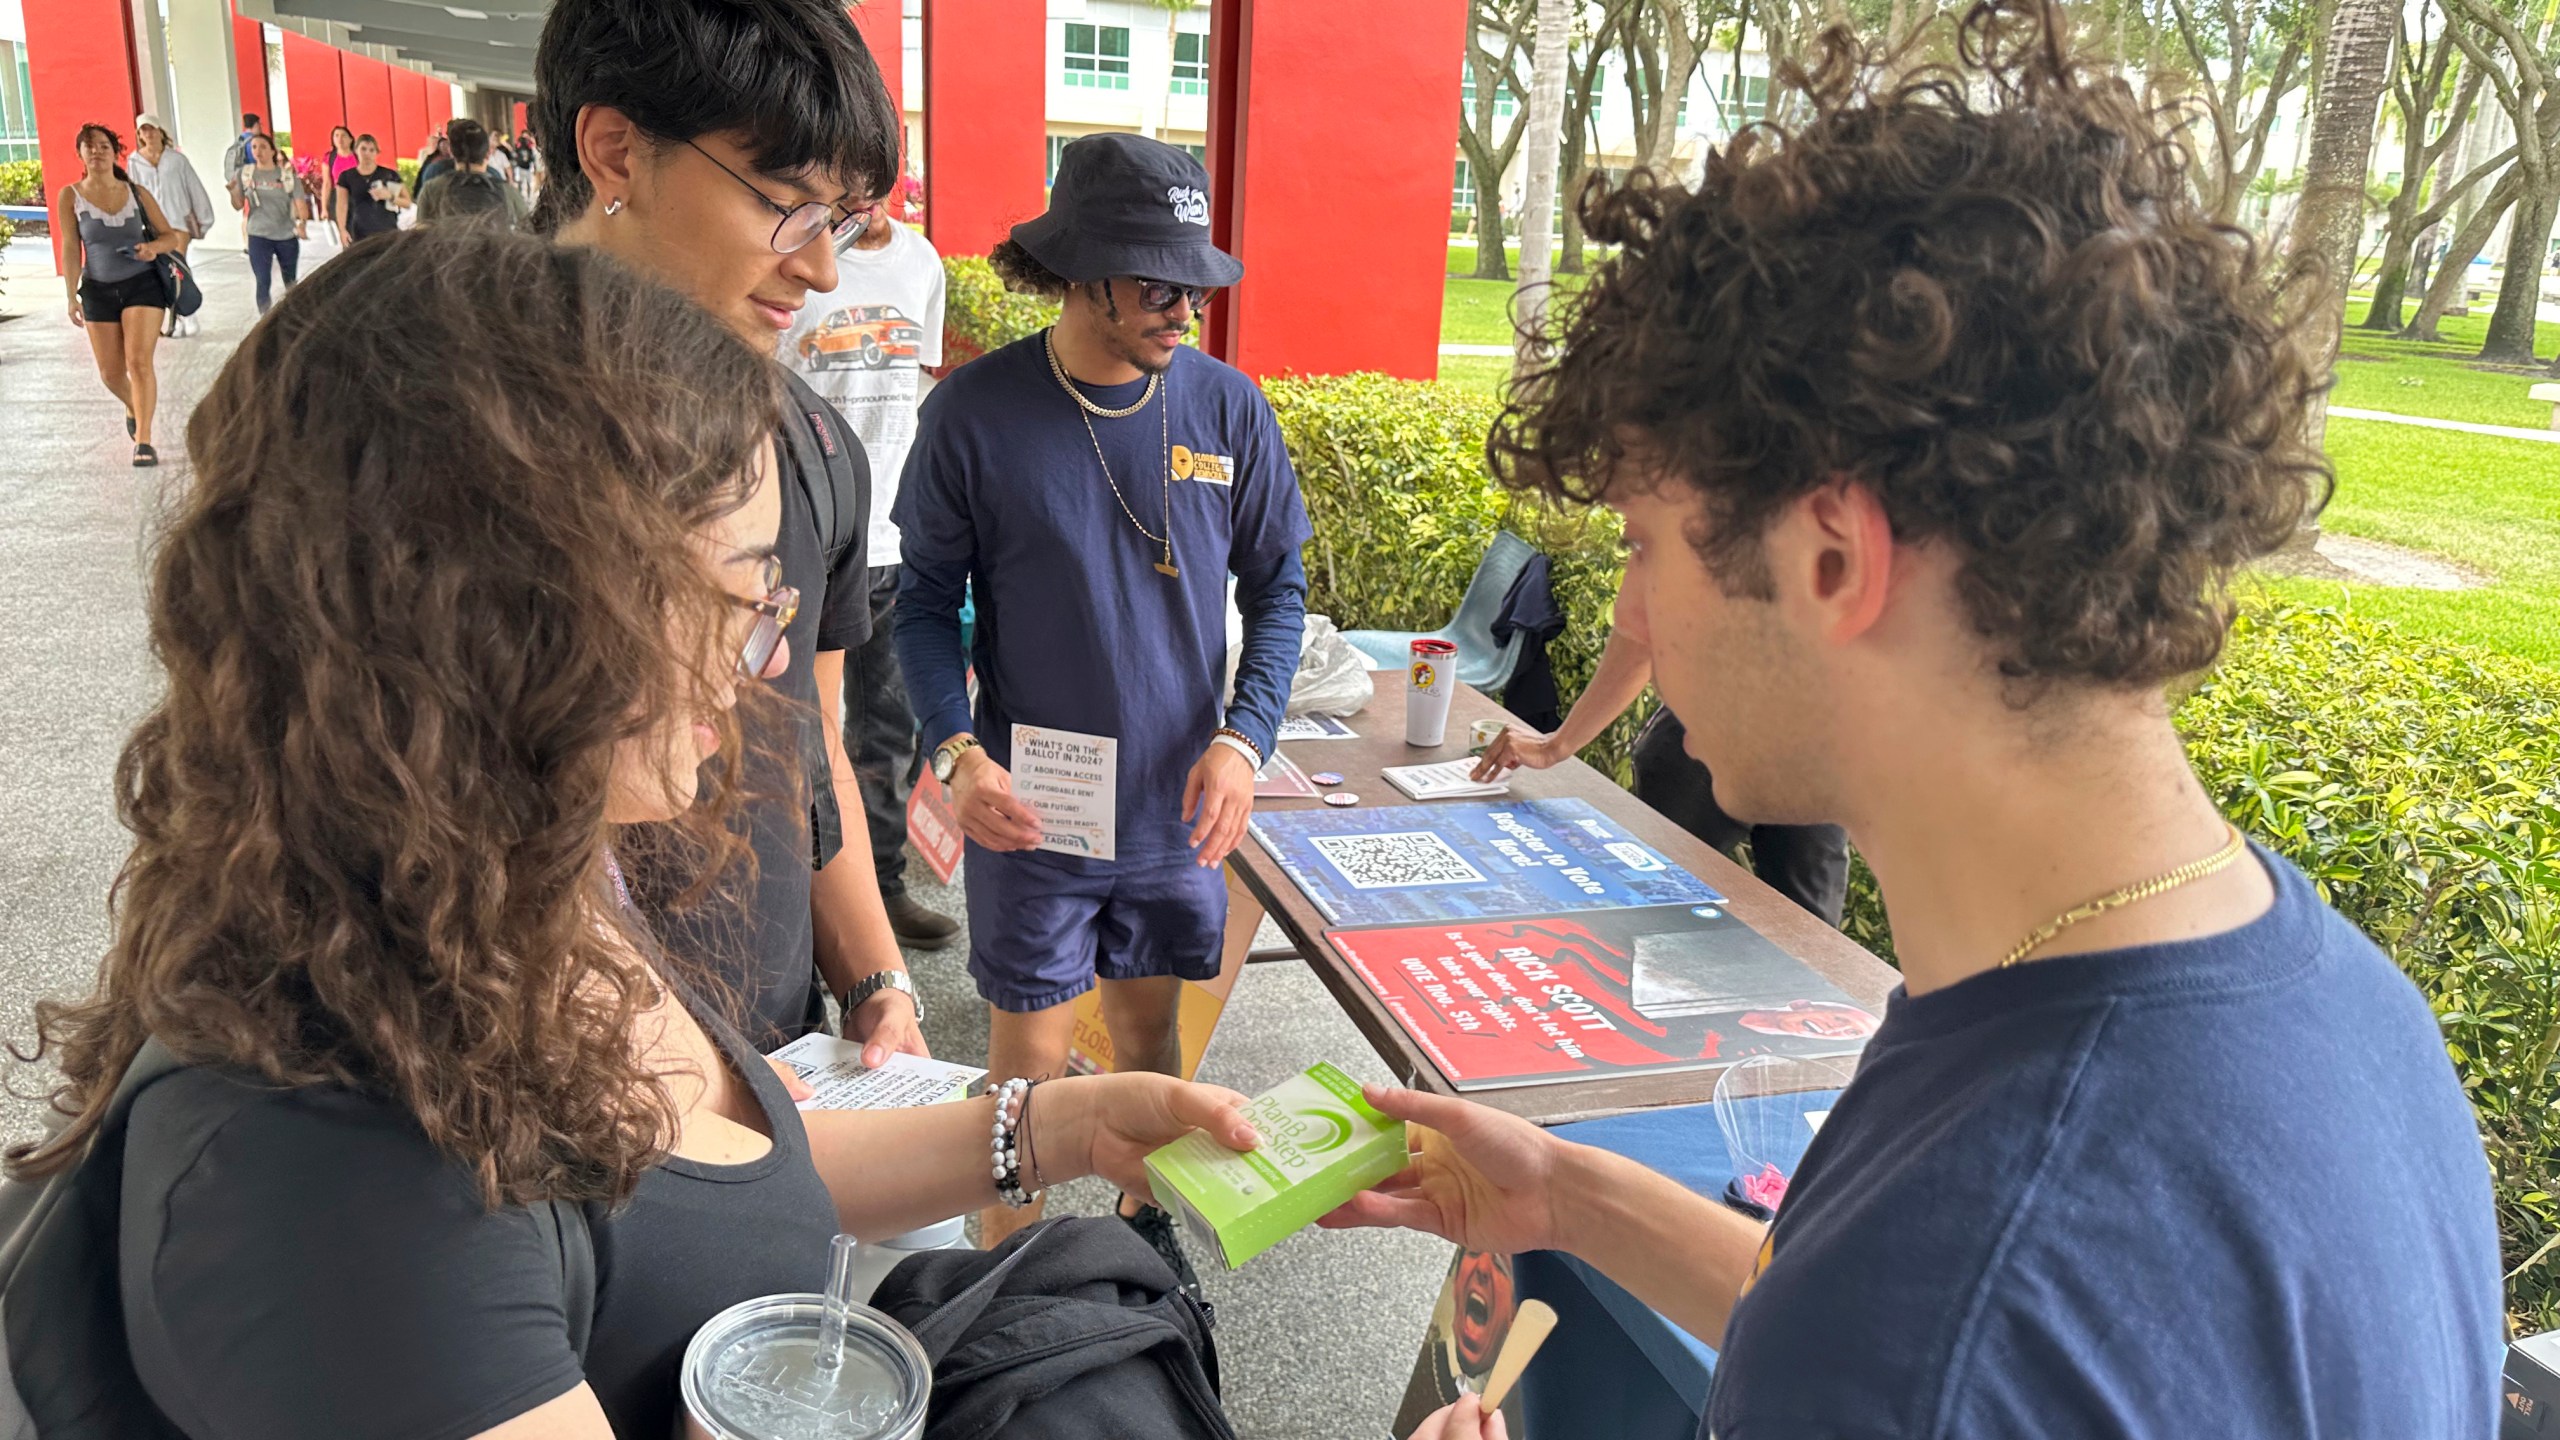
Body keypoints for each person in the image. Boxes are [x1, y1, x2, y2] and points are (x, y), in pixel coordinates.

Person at [1337, 6, 2503, 1438]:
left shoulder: (1944, 1311)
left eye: (1646, 542)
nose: (1634, 610)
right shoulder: (2344, 1008)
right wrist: (1565, 1195)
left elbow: (1912, 1336)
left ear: (1832, 558)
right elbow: (1850, 1308)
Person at [3, 224, 1260, 1440]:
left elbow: (714, 1167)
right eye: (736, 595)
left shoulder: (502, 880)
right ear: (503, 615)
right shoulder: (333, 1189)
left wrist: (1060, 1128)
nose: (762, 658)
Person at [894, 133, 1311, 1270]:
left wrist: (1245, 737)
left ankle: (1143, 1255)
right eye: (1156, 281)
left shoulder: (1228, 410)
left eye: (1194, 280)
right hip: (1036, 814)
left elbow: (1280, 591)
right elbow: (922, 607)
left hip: (1179, 807)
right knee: (1021, 1087)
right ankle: (998, 1285)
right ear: (1081, 273)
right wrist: (955, 753)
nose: (1184, 306)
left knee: (1149, 1045)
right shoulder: (973, 416)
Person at [531, 0, 928, 1064]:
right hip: (522, 1087)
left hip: (772, 1061)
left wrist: (876, 977)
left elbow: (806, 739)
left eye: (839, 219)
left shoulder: (809, 447)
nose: (822, 268)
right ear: (616, 150)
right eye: (787, 205)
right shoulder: (435, 438)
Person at [782, 194, 959, 949]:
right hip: (811, 538)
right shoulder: (791, 262)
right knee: (797, 730)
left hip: (896, 537)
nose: (864, 206)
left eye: (875, 185)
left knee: (888, 736)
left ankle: (880, 890)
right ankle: (797, 901)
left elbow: (919, 384)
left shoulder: (922, 264)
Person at [1474, 603, 1851, 926]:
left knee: (1813, 943)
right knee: (1656, 909)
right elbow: (1644, 624)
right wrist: (1555, 745)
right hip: (1709, 727)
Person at [52, 122, 182, 466]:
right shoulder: (70, 195)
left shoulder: (136, 193)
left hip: (143, 285)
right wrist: (71, 295)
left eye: (104, 146)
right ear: (80, 154)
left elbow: (171, 236)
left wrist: (151, 248)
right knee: (110, 373)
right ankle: (133, 404)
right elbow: (69, 247)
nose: (97, 151)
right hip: (97, 290)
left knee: (138, 363)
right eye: (89, 146)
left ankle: (144, 441)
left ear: (115, 152)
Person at [128, 114, 215, 338]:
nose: (148, 134)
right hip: (153, 227)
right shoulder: (134, 162)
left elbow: (193, 187)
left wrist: (203, 217)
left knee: (177, 268)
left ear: (159, 131)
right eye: (143, 130)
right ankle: (177, 317)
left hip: (178, 222)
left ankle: (187, 313)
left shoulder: (177, 160)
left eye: (151, 129)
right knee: (162, 273)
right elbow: (133, 194)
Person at [236, 132, 308, 312]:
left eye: (262, 147)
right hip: (258, 234)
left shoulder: (287, 176)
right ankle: (265, 320)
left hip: (285, 234)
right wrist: (232, 191)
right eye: (254, 147)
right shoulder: (246, 174)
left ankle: (293, 314)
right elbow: (237, 204)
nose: (257, 151)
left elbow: (300, 202)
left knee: (290, 280)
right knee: (262, 279)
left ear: (272, 151)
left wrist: (302, 223)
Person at [416, 118, 528, 230]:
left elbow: (422, 234)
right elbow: (526, 230)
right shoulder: (506, 190)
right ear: (488, 153)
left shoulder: (432, 188)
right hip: (495, 246)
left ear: (452, 152)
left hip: (448, 247)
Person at [332, 133, 406, 243]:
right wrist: (342, 230)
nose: (367, 153)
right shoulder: (347, 176)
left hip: (386, 230)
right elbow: (341, 205)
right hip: (357, 230)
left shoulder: (389, 174)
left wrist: (390, 196)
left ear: (376, 152)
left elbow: (407, 202)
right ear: (356, 150)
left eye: (371, 150)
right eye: (363, 149)